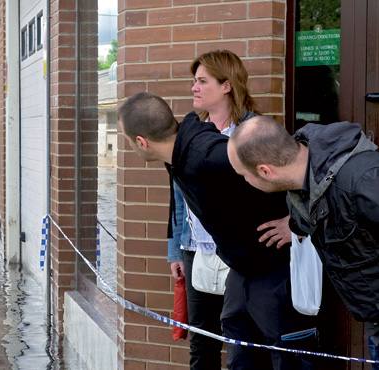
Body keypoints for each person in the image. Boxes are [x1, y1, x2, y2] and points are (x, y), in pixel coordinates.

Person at [118, 92, 315, 370]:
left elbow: (293, 164)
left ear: (141, 141)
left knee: (289, 361)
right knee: (241, 359)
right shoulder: (180, 152)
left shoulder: (209, 156)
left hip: (275, 271)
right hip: (241, 271)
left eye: (128, 141)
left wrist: (294, 221)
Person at [227, 115, 379, 369]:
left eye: (244, 175)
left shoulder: (362, 178)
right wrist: (295, 225)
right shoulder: (303, 188)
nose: (245, 182)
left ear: (265, 170)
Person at [167, 50, 264, 370]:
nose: (193, 87)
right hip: (196, 249)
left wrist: (289, 222)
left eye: (202, 81)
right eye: (193, 81)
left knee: (242, 342)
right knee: (201, 342)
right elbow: (178, 196)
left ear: (226, 85)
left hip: (240, 253)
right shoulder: (191, 132)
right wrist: (176, 250)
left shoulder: (254, 131)